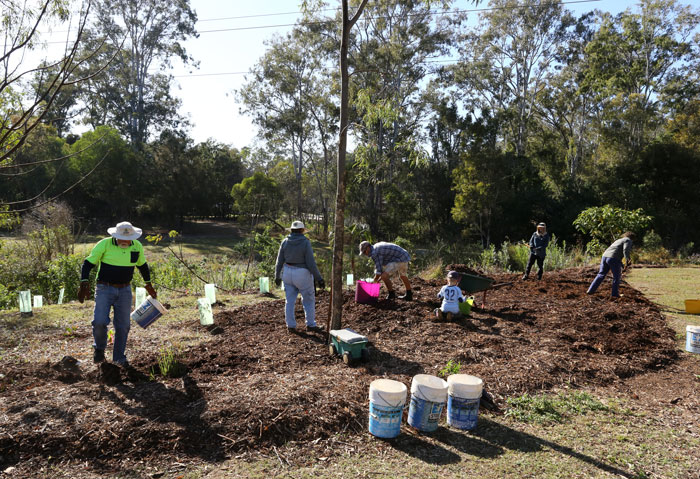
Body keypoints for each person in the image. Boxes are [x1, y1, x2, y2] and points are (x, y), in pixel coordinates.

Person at [78, 221, 156, 367]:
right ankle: (99, 349)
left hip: (125, 290)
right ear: (115, 235)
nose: (125, 241)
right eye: (122, 238)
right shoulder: (104, 244)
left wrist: (148, 284)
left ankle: (119, 357)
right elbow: (88, 263)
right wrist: (84, 281)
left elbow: (142, 266)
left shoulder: (137, 246)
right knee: (99, 321)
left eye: (128, 238)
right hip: (104, 288)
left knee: (123, 325)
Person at [274, 221, 325, 333]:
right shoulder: (305, 243)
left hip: (287, 272)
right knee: (308, 300)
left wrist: (277, 276)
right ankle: (310, 324)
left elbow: (279, 261)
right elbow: (311, 263)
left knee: (289, 301)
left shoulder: (285, 242)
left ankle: (291, 325)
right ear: (302, 230)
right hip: (302, 273)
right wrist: (319, 278)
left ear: (291, 230)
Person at [586, 232, 636, 298]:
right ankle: (614, 294)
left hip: (604, 256)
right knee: (616, 277)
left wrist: (621, 264)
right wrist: (628, 260)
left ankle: (590, 290)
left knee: (601, 274)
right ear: (632, 238)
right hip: (613, 258)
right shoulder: (628, 240)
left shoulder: (619, 240)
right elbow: (625, 250)